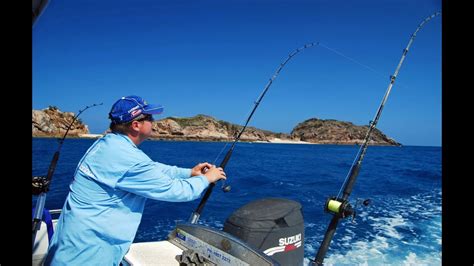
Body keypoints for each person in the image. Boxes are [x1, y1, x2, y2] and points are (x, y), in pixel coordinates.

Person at [45, 95, 226, 265]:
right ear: (136, 125)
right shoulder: (128, 159)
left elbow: (151, 168)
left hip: (68, 246)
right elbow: (179, 191)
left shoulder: (107, 144)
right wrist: (207, 179)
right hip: (87, 256)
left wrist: (188, 173)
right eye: (150, 118)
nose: (154, 122)